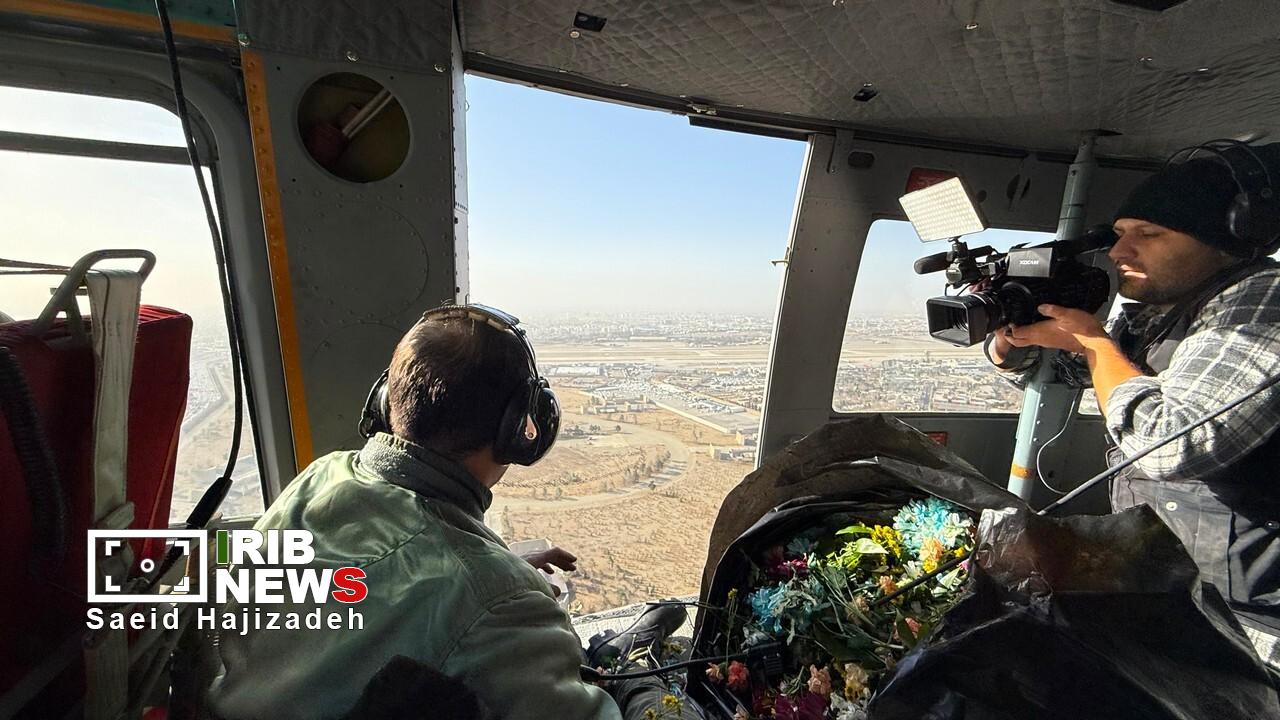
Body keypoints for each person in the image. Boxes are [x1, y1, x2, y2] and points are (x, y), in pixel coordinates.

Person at [209, 304, 700, 720]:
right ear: (517, 430)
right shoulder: (497, 600)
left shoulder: (322, 477)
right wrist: (631, 677)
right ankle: (631, 658)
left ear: (386, 401)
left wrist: (494, 569)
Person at [986, 141, 1280, 670]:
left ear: (1228, 239)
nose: (1120, 252)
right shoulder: (1164, 309)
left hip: (1255, 617)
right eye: (1120, 234)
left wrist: (1095, 342)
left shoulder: (1263, 300)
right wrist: (1015, 346)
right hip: (1174, 578)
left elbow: (1172, 442)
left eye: (1149, 234)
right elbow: (1090, 374)